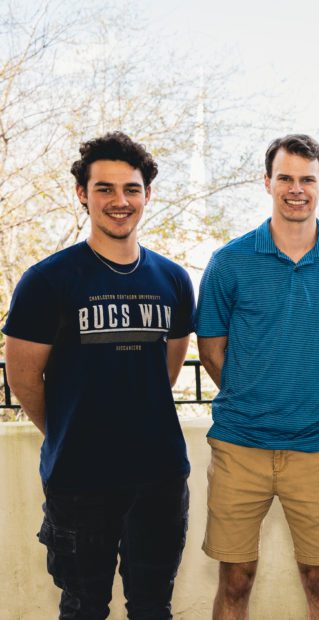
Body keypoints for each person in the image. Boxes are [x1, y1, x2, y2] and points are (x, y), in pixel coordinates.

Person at [3, 132, 194, 619]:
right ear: (82, 194)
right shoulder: (47, 281)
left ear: (147, 195)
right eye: (104, 189)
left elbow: (166, 371)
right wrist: (70, 430)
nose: (119, 201)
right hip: (79, 481)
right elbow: (24, 379)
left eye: (130, 189)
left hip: (159, 478)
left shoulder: (172, 279)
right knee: (84, 608)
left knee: (153, 607)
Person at [196, 134, 319, 619]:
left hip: (317, 447)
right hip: (239, 445)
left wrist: (318, 395)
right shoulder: (229, 262)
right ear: (267, 182)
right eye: (286, 178)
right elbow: (211, 351)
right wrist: (253, 394)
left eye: (307, 180)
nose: (297, 189)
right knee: (235, 580)